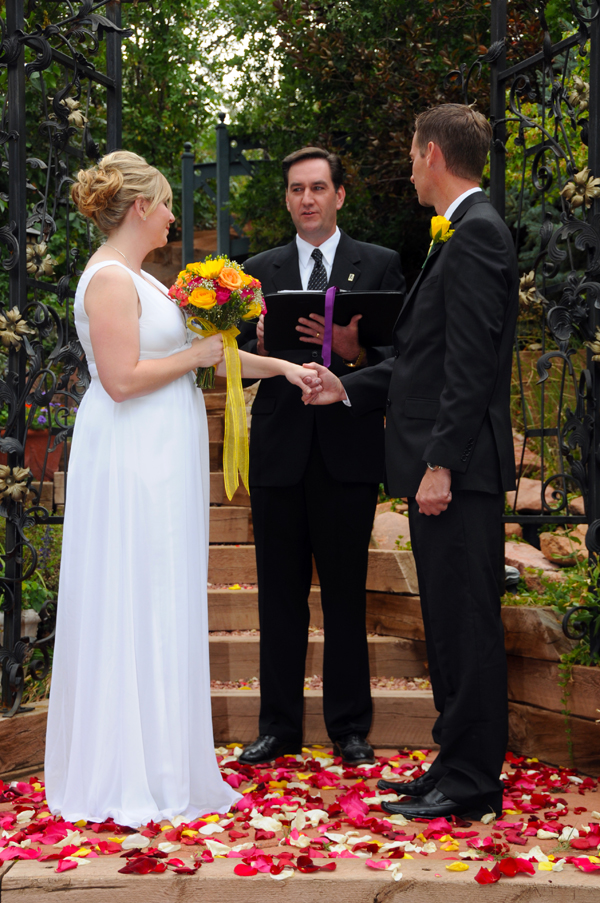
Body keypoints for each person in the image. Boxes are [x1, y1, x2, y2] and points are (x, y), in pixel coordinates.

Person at [44, 151, 320, 827]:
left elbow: (211, 353)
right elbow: (122, 379)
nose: (173, 215)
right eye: (166, 204)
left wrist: (284, 367)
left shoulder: (146, 280)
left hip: (161, 457)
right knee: (133, 595)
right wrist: (197, 357)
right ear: (140, 207)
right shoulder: (110, 280)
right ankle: (126, 770)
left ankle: (166, 761)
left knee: (163, 597)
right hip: (131, 458)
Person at [303, 105, 518, 819]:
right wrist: (346, 386)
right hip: (444, 468)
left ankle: (472, 781)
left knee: (467, 626)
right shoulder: (459, 233)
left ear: (432, 153)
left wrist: (442, 464)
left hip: (458, 474)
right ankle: (453, 764)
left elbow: (470, 366)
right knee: (448, 626)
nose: (408, 163)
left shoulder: (478, 233)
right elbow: (420, 363)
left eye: (410, 150)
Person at [236, 147, 405, 767]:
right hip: (280, 455)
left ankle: (350, 728)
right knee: (278, 598)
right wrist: (251, 347)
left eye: (318, 187)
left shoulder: (380, 264)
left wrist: (352, 355)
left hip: (347, 456)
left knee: (344, 596)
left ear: (339, 195)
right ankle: (277, 727)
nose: (306, 198)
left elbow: (402, 363)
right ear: (286, 199)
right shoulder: (257, 270)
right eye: (296, 189)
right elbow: (230, 371)